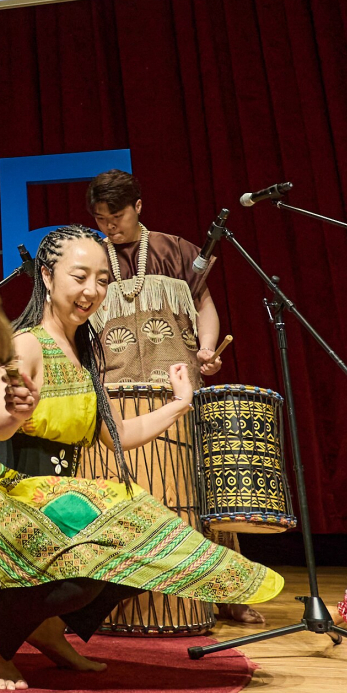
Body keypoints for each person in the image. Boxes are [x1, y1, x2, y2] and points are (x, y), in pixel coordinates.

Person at [0, 227, 283, 690]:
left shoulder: (84, 351)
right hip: (3, 496)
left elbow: (118, 435)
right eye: (80, 276)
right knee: (82, 572)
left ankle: (45, 625)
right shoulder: (29, 343)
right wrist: (13, 410)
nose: (92, 291)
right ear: (47, 277)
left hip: (52, 501)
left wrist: (180, 403)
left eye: (103, 280)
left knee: (148, 549)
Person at [86, 169, 263, 625]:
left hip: (177, 384)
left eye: (117, 216)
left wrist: (206, 348)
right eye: (102, 218)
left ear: (138, 206)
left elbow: (204, 305)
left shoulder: (175, 249)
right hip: (116, 390)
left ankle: (224, 592)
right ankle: (120, 600)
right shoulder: (90, 261)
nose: (110, 226)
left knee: (196, 489)